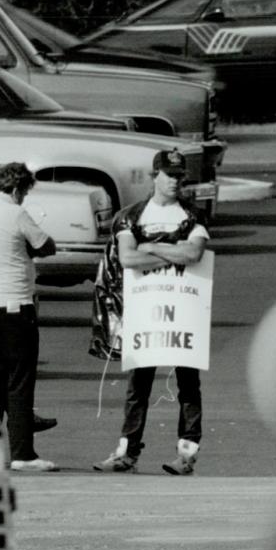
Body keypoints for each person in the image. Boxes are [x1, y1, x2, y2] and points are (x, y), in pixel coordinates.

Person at [94, 149, 211, 476]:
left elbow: (194, 252)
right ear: (154, 175)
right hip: (145, 312)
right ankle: (127, 451)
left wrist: (152, 247)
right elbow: (128, 258)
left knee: (189, 383)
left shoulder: (192, 215)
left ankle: (186, 452)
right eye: (169, 175)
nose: (174, 181)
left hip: (184, 311)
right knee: (138, 385)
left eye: (179, 175)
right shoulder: (131, 216)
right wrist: (173, 252)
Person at [0, 162, 58, 472]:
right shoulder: (15, 213)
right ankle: (22, 453)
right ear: (17, 189)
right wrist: (28, 252)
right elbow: (47, 246)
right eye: (25, 193)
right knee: (19, 382)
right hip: (15, 306)